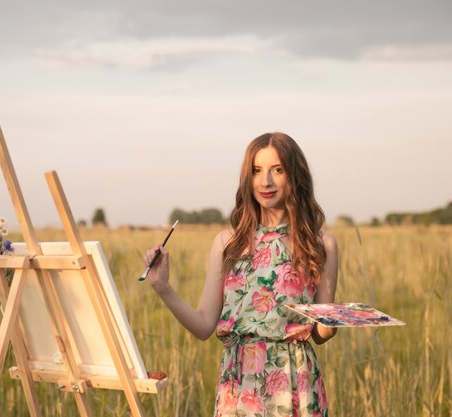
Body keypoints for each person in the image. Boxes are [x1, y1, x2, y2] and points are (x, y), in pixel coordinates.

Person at [145, 132, 339, 417]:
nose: (265, 181)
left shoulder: (321, 244)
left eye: (277, 170)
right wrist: (163, 287)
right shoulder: (227, 243)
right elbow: (202, 326)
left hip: (295, 382)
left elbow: (322, 334)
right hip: (239, 386)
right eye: (256, 171)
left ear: (294, 175)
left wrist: (335, 319)